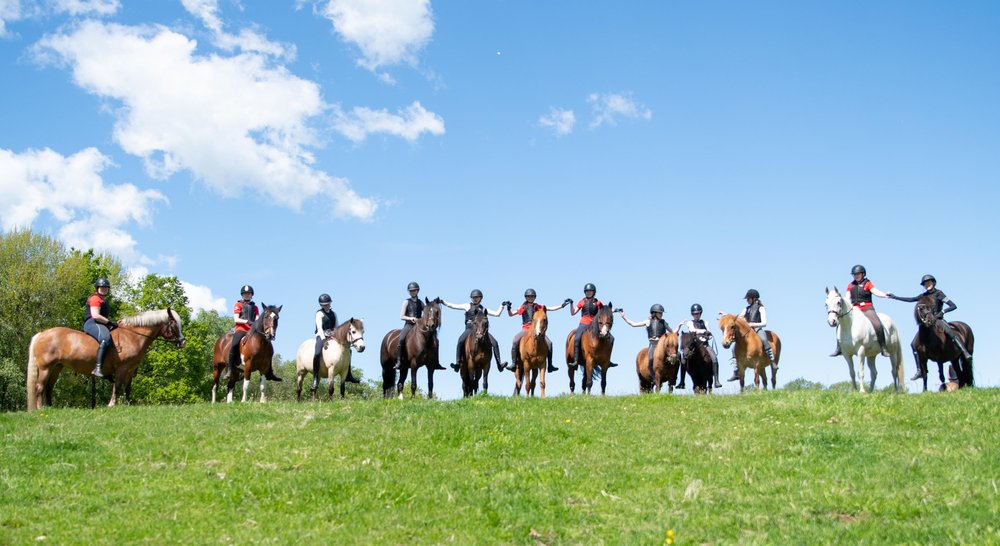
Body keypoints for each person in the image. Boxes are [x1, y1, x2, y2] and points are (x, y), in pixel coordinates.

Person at [888, 274, 972, 379]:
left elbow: (953, 306)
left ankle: (964, 351)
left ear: (933, 283)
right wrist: (894, 297)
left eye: (929, 282)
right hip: (927, 323)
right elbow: (910, 299)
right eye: (925, 284)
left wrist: (942, 312)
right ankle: (919, 370)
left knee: (950, 332)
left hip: (938, 320)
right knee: (913, 344)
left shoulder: (939, 293)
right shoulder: (923, 296)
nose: (927, 285)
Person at [506, 288, 572, 373]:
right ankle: (513, 363)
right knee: (515, 341)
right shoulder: (523, 307)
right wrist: (508, 308)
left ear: (535, 297)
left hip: (536, 329)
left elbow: (550, 308)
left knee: (549, 343)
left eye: (532, 296)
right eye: (529, 296)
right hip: (526, 329)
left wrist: (562, 305)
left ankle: (550, 365)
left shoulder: (538, 306)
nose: (530, 298)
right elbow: (511, 314)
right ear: (526, 297)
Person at [831, 265, 891, 358]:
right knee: (840, 323)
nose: (856, 276)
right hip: (855, 310)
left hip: (867, 308)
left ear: (863, 274)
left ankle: (883, 348)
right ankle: (839, 348)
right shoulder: (850, 285)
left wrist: (884, 294)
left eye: (858, 274)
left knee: (877, 324)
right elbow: (847, 298)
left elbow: (875, 291)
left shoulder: (868, 283)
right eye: (854, 274)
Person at [442, 289, 507, 372]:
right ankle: (457, 363)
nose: (475, 299)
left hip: (480, 330)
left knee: (495, 342)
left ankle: (499, 364)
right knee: (460, 340)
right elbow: (453, 306)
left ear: (481, 298)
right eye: (473, 297)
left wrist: (502, 306)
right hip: (469, 329)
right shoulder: (467, 306)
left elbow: (497, 314)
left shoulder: (484, 309)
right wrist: (443, 302)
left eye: (477, 297)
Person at [722, 289, 776, 381]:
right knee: (734, 348)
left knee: (764, 339)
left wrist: (751, 324)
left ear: (754, 299)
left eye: (748, 299)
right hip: (747, 331)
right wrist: (727, 315)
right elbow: (738, 318)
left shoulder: (761, 308)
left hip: (757, 329)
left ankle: (772, 361)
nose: (747, 300)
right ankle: (736, 371)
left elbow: (764, 323)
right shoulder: (746, 309)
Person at [312, 293, 359, 390]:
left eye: (328, 304)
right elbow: (319, 328)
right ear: (321, 305)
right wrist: (324, 339)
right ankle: (315, 378)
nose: (327, 305)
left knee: (349, 351)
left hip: (332, 336)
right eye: (325, 304)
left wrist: (338, 337)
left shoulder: (334, 314)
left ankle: (349, 374)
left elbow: (337, 327)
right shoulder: (319, 314)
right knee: (317, 353)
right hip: (321, 336)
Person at [394, 282, 445, 371]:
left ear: (417, 291)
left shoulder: (421, 303)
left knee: (436, 340)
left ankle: (436, 362)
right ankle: (399, 361)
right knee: (401, 339)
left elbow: (427, 312)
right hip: (409, 325)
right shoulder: (406, 302)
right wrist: (411, 318)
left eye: (414, 290)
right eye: (411, 291)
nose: (413, 292)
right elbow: (402, 316)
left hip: (419, 325)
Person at [618, 304, 672, 385]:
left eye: (662, 313)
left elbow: (672, 332)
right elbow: (633, 324)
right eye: (660, 313)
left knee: (675, 356)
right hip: (653, 344)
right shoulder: (648, 322)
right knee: (650, 360)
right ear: (654, 313)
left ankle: (673, 378)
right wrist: (624, 317)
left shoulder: (663, 322)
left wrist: (679, 326)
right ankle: (654, 378)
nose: (661, 314)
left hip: (662, 345)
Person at [568, 283, 618, 368]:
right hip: (584, 323)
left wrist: (615, 310)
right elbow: (573, 313)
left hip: (594, 325)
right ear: (585, 292)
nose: (589, 293)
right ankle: (576, 360)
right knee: (576, 338)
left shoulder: (598, 302)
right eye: (587, 292)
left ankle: (608, 360)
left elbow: (605, 310)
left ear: (594, 292)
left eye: (590, 291)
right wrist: (571, 304)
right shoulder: (582, 301)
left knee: (612, 338)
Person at [676, 303, 722, 388]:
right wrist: (704, 331)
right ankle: (682, 382)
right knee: (683, 359)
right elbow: (693, 331)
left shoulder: (705, 322)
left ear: (700, 313)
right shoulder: (690, 323)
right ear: (692, 314)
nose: (696, 315)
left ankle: (716, 380)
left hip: (705, 344)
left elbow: (709, 331)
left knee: (714, 358)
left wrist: (708, 334)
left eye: (697, 313)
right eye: (694, 314)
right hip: (694, 345)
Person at [83, 277, 117, 378]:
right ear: (97, 288)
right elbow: (95, 315)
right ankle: (98, 368)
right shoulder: (95, 298)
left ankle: (107, 369)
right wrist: (109, 322)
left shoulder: (103, 300)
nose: (104, 289)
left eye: (106, 288)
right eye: (102, 287)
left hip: (100, 324)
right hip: (92, 323)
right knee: (105, 339)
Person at [227, 284, 258, 379]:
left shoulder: (255, 307)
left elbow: (257, 319)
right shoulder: (238, 305)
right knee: (234, 344)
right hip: (241, 329)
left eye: (248, 293)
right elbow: (236, 319)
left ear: (251, 295)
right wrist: (247, 321)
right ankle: (230, 368)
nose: (246, 295)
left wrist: (256, 325)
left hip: (251, 331)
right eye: (245, 294)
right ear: (242, 295)